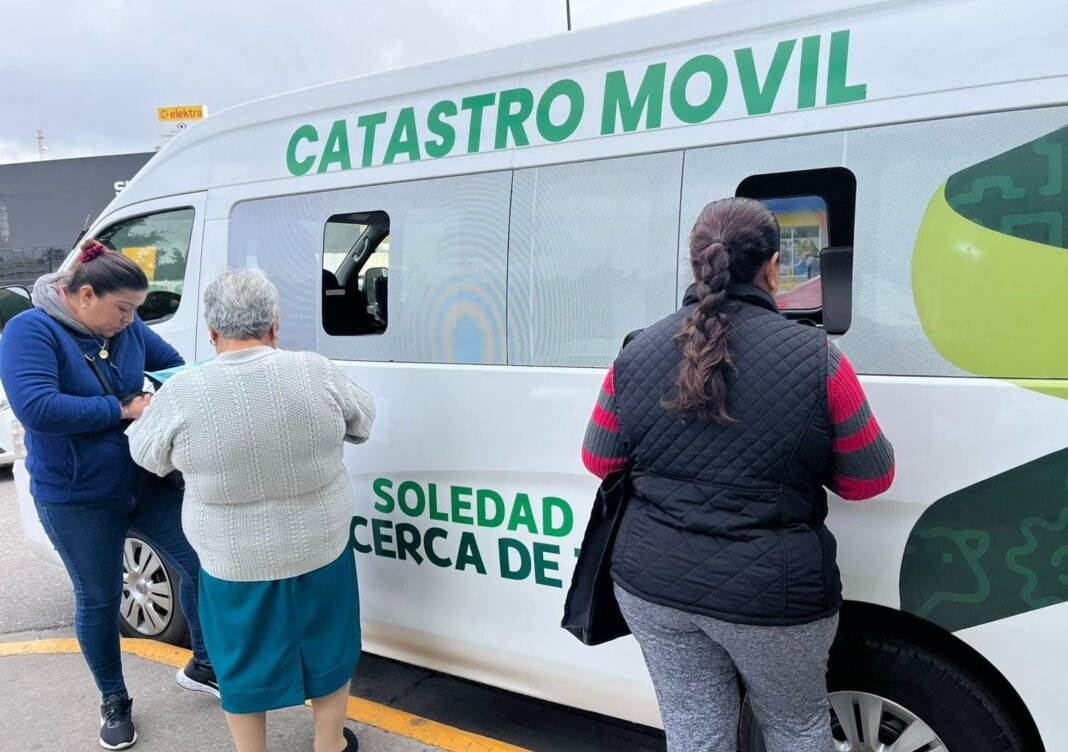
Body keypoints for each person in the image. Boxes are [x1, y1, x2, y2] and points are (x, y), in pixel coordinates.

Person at [581, 197, 895, 752]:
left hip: (654, 585)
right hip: (774, 597)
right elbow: (869, 478)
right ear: (773, 266)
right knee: (796, 727)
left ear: (695, 262)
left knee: (695, 730)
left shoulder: (635, 353)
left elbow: (600, 461)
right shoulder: (820, 359)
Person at [127, 267, 375, 752]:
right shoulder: (315, 371)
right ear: (275, 326)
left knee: (239, 658)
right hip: (319, 546)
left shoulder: (182, 393)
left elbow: (147, 456)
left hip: (232, 560)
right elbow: (362, 422)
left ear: (212, 332)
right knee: (330, 645)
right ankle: (329, 744)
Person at [0, 238, 217, 751]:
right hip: (78, 496)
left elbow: (173, 367)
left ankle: (205, 664)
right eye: (122, 309)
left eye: (136, 311)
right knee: (99, 599)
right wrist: (121, 408)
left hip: (145, 479)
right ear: (85, 295)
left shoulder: (126, 327)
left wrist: (172, 394)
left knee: (203, 565)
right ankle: (114, 699)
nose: (130, 320)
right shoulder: (30, 330)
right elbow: (38, 409)